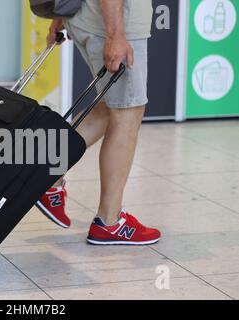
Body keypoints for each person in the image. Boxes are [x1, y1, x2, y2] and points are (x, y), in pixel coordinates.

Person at [37, 0, 161, 245]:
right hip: (111, 23)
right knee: (128, 111)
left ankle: (47, 173)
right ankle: (110, 221)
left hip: (88, 18)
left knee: (111, 107)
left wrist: (60, 16)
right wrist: (116, 34)